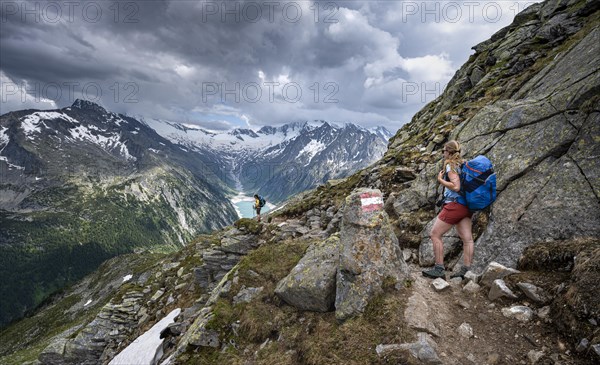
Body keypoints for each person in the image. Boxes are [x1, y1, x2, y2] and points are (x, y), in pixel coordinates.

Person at [422, 140, 474, 280]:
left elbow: (456, 186)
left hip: (454, 205)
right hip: (466, 206)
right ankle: (466, 271)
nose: (443, 153)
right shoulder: (463, 164)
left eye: (444, 151)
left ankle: (439, 268)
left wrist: (441, 180)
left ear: (449, 152)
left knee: (434, 234)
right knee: (467, 239)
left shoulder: (451, 165)